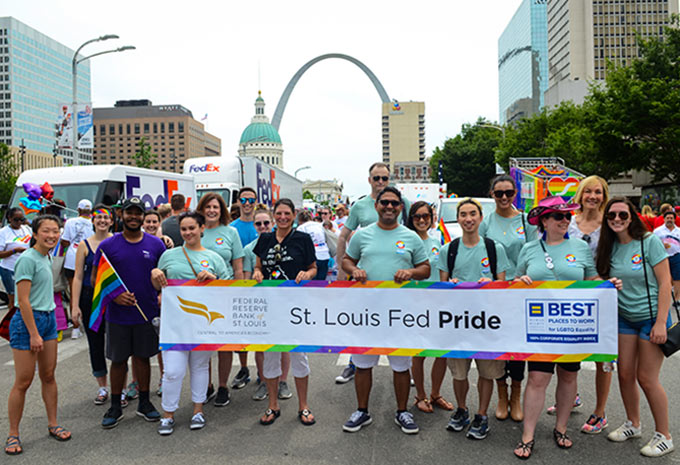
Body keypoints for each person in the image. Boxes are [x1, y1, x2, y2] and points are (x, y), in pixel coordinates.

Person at [513, 196, 599, 459]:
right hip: (539, 327)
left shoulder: (580, 248)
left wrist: (608, 285)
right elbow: (516, 281)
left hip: (572, 327)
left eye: (567, 217)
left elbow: (592, 278)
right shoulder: (528, 248)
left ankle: (561, 428)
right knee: (537, 378)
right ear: (544, 221)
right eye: (558, 216)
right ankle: (528, 434)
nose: (565, 221)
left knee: (569, 376)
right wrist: (520, 281)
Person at [342, 187, 429, 435]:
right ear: (376, 206)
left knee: (401, 364)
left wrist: (410, 272)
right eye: (384, 203)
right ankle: (362, 411)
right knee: (363, 363)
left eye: (394, 203)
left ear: (401, 207)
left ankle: (402, 411)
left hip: (400, 312)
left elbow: (425, 268)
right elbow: (347, 260)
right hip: (366, 311)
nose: (389, 207)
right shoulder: (362, 235)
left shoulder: (411, 237)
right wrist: (353, 270)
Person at [598, 197, 674, 457]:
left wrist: (661, 322)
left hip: (651, 317)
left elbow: (665, 283)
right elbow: (602, 281)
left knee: (647, 378)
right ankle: (633, 424)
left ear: (632, 216)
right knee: (624, 374)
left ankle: (664, 435)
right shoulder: (609, 246)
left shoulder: (649, 241)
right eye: (611, 216)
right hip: (623, 317)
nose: (617, 220)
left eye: (622, 215)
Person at [151, 211, 229, 435]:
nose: (187, 233)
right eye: (184, 229)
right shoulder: (169, 256)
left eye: (192, 228)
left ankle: (198, 410)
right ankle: (168, 414)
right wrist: (154, 273)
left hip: (204, 323)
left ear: (202, 228)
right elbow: (158, 286)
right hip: (174, 324)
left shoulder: (214, 258)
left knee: (200, 367)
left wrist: (214, 280)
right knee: (173, 371)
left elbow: (227, 290)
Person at [438, 198, 509, 440]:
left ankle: (481, 415)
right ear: (458, 219)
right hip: (457, 323)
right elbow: (442, 286)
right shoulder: (449, 249)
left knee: (486, 372)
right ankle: (461, 410)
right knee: (459, 373)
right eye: (463, 214)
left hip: (487, 322)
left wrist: (491, 284)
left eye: (473, 214)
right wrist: (451, 285)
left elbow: (503, 284)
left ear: (480, 218)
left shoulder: (494, 248)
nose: (468, 219)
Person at [93, 197, 165, 429]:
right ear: (121, 215)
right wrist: (114, 296)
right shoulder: (108, 246)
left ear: (144, 217)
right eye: (129, 213)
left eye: (138, 213)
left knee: (143, 359)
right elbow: (97, 279)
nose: (133, 217)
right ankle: (115, 405)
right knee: (118, 360)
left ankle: (144, 402)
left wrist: (161, 294)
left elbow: (165, 277)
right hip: (117, 315)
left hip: (146, 312)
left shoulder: (156, 245)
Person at [335, 163, 408, 383]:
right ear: (369, 180)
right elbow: (343, 236)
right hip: (365, 280)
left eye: (384, 178)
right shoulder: (359, 206)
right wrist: (342, 269)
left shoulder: (401, 203)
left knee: (398, 323)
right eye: (376, 178)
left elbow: (412, 234)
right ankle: (352, 366)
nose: (380, 182)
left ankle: (404, 369)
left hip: (396, 281)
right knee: (361, 324)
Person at [5, 215, 71, 455]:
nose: (52, 235)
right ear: (35, 233)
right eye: (46, 231)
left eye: (55, 231)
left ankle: (53, 424)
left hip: (48, 319)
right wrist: (34, 334)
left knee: (49, 375)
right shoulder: (27, 259)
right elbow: (22, 300)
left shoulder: (46, 256)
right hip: (28, 322)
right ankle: (13, 434)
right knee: (23, 381)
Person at [252, 198, 317, 426]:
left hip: (296, 307)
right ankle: (273, 405)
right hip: (269, 306)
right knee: (270, 357)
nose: (282, 217)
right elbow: (258, 265)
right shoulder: (265, 239)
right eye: (278, 213)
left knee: (299, 356)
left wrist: (308, 275)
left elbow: (313, 267)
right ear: (273, 214)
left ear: (293, 214)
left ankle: (303, 406)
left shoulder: (303, 239)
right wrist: (257, 273)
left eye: (287, 214)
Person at [479, 174, 537, 423]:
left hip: (521, 291)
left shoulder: (526, 221)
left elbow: (535, 253)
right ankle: (501, 394)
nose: (504, 197)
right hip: (495, 294)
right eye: (498, 193)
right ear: (491, 194)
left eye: (508, 193)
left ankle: (516, 394)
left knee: (518, 347)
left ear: (516, 194)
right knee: (499, 346)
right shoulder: (486, 223)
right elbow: (480, 253)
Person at [565, 175, 612, 434]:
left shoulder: (611, 224)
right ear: (580, 195)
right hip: (571, 297)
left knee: (602, 357)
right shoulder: (569, 222)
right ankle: (571, 396)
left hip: (601, 296)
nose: (592, 196)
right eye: (587, 192)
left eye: (598, 192)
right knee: (570, 349)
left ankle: (600, 412)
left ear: (604, 196)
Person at [196, 193, 246, 406]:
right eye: (207, 207)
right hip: (200, 296)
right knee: (205, 343)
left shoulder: (231, 232)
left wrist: (238, 292)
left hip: (225, 293)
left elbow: (238, 266)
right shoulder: (195, 230)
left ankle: (223, 386)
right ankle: (206, 385)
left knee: (224, 344)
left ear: (222, 209)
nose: (211, 211)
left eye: (215, 207)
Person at [405, 201, 453, 414]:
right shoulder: (405, 241)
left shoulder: (438, 240)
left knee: (440, 352)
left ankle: (436, 393)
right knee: (420, 353)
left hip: (438, 301)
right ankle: (420, 395)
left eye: (426, 216)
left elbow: (444, 269)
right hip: (415, 303)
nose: (422, 220)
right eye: (417, 216)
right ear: (411, 218)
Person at [242, 207, 293, 401]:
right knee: (262, 344)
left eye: (266, 223)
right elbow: (247, 275)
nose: (262, 227)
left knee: (283, 344)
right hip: (260, 301)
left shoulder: (282, 242)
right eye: (258, 223)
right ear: (254, 226)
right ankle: (264, 381)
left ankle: (282, 381)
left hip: (283, 300)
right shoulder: (249, 249)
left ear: (272, 223)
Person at [70, 206, 113, 405]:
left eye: (106, 218)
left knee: (118, 343)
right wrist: (74, 305)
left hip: (113, 299)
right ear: (92, 221)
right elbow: (78, 277)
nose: (102, 221)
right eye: (98, 218)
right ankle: (102, 387)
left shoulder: (117, 241)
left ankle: (122, 386)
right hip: (89, 299)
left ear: (111, 221)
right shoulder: (84, 245)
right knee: (95, 343)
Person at [228, 187, 260, 389]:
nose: (247, 203)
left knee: (261, 331)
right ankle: (243, 367)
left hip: (260, 283)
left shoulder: (263, 224)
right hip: (239, 282)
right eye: (243, 200)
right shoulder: (232, 228)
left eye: (251, 199)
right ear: (238, 202)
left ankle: (263, 373)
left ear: (256, 201)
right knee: (239, 331)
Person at [60, 199, 94, 339]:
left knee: (73, 292)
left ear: (78, 210)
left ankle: (75, 327)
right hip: (86, 259)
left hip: (71, 259)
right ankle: (89, 321)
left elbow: (65, 241)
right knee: (87, 290)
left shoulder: (70, 222)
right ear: (90, 211)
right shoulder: (93, 223)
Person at [0, 208, 32, 316]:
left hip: (26, 268)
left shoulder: (26, 229)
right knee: (14, 300)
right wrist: (14, 251)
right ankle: (12, 323)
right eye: (16, 220)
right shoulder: (3, 232)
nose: (19, 222)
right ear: (9, 219)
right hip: (10, 269)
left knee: (27, 298)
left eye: (21, 219)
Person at [296, 210, 331, 280]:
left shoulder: (301, 228)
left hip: (312, 258)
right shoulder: (319, 225)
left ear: (299, 220)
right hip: (324, 255)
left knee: (312, 284)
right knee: (321, 282)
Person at [653, 209, 680, 299]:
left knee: (677, 278)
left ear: (674, 219)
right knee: (665, 278)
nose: (669, 220)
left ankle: (677, 299)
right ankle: (666, 297)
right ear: (664, 219)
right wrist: (661, 245)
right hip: (663, 257)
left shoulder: (678, 231)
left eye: (671, 218)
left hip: (677, 256)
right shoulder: (658, 231)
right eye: (667, 218)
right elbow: (653, 244)